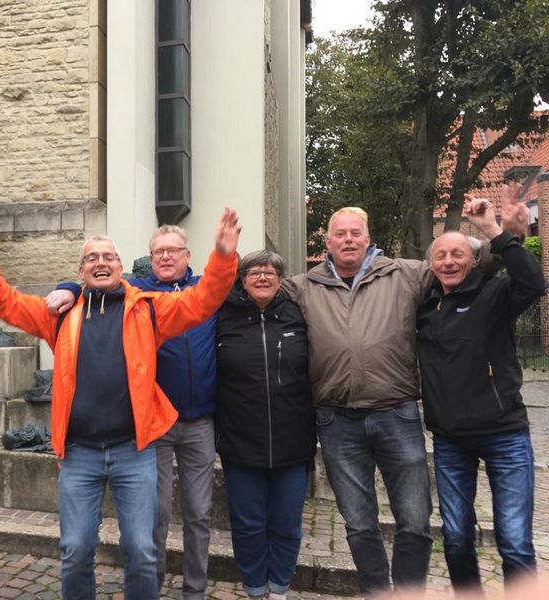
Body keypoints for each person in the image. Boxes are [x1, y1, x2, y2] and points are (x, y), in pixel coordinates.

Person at [0, 203, 241, 600]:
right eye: (92, 258)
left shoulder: (147, 309)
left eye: (108, 256)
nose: (101, 262)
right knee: (75, 550)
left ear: (121, 267)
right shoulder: (60, 314)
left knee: (141, 550)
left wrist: (224, 255)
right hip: (79, 454)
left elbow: (202, 301)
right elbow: (3, 301)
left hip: (134, 452)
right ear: (81, 271)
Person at [46, 225, 220, 599]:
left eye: (174, 250)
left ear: (188, 256)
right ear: (148, 258)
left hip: (199, 421)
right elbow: (97, 282)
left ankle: (195, 591)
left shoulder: (202, 292)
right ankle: (150, 585)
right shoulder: (139, 295)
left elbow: (235, 288)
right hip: (151, 427)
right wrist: (69, 287)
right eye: (159, 252)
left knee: (199, 514)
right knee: (153, 520)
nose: (166, 257)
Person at [282, 206, 435, 596]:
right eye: (340, 234)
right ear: (327, 241)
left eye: (355, 233)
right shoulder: (304, 286)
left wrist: (499, 233)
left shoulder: (405, 274)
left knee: (415, 518)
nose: (348, 239)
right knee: (359, 522)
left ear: (368, 238)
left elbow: (465, 267)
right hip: (337, 421)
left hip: (396, 413)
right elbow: (251, 290)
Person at [417, 190, 546, 593]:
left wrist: (495, 230)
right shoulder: (424, 308)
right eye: (441, 256)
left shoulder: (494, 294)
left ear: (473, 262)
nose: (449, 261)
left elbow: (533, 283)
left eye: (458, 254)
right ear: (431, 265)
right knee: (456, 538)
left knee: (514, 541)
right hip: (450, 439)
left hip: (503, 434)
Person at [216, 250, 316, 600]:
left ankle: (280, 590)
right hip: (240, 442)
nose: (262, 278)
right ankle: (255, 589)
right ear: (242, 280)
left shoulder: (298, 313)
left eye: (270, 272)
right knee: (248, 525)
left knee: (287, 524)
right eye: (254, 272)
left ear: (280, 279)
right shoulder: (222, 315)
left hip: (293, 441)